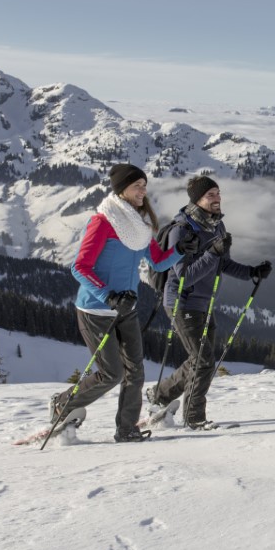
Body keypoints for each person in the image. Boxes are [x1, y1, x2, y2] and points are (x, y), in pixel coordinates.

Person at [54, 163, 200, 443]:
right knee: (111, 373)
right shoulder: (102, 222)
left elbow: (156, 261)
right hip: (96, 310)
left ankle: (127, 428)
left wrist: (180, 250)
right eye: (137, 186)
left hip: (126, 310)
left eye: (145, 186)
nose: (143, 191)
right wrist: (108, 295)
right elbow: (80, 267)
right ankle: (62, 404)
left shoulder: (140, 227)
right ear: (122, 189)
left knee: (136, 371)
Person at [147, 175, 272, 430]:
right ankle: (194, 418)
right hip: (181, 302)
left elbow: (222, 264)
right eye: (210, 195)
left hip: (204, 302)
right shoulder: (182, 230)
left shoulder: (216, 227)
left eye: (217, 193)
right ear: (197, 200)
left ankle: (159, 395)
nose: (216, 199)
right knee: (203, 359)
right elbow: (185, 276)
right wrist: (211, 252)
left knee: (200, 358)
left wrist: (251, 272)